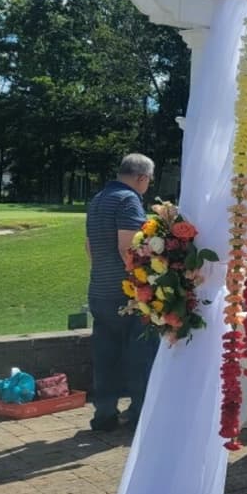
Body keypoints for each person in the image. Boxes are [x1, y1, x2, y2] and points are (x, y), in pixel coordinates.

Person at [86, 153, 159, 432]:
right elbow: (127, 247)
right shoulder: (128, 200)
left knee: (105, 355)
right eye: (148, 181)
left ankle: (104, 414)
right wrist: (143, 282)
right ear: (141, 177)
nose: (147, 186)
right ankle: (139, 414)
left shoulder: (98, 199)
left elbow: (90, 247)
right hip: (126, 293)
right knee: (139, 355)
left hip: (99, 289)